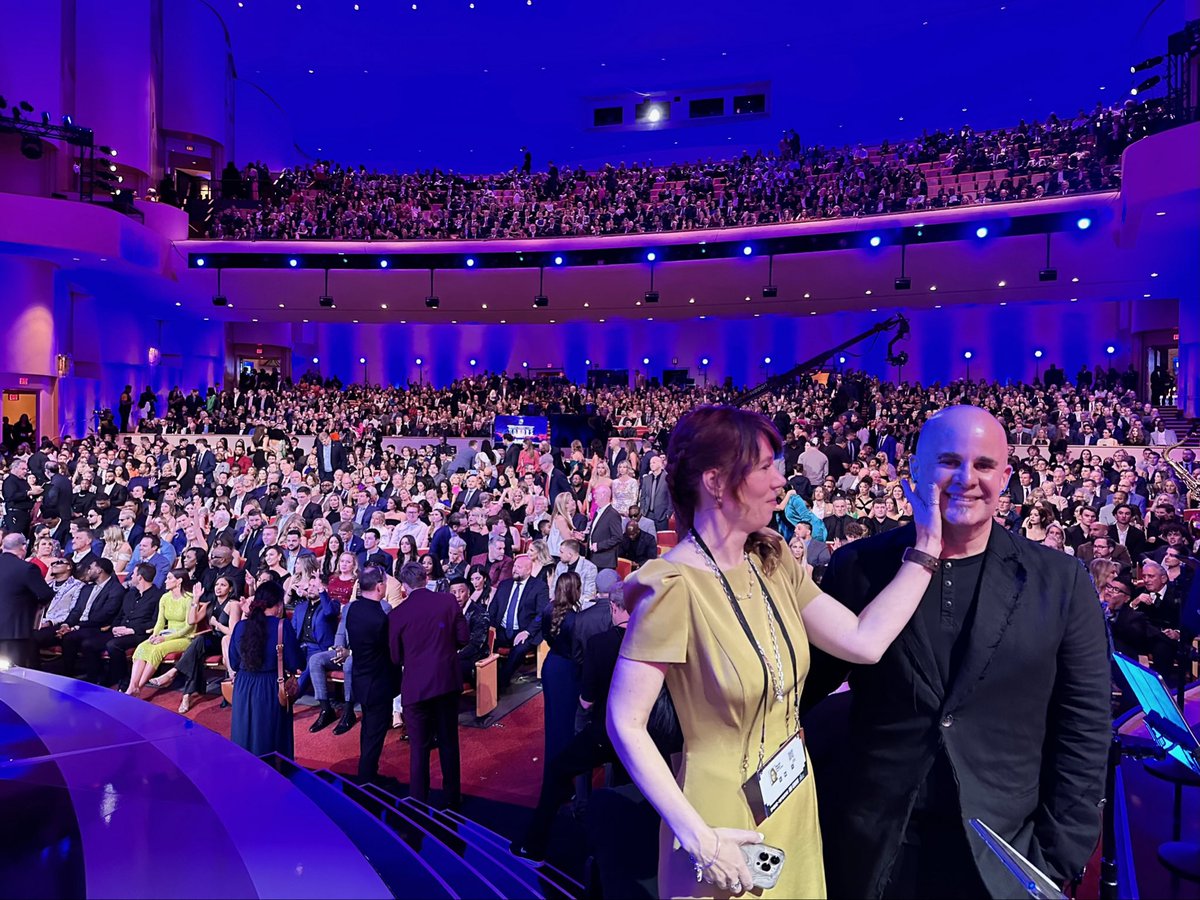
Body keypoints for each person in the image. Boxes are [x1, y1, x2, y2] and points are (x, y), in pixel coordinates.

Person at [608, 404, 942, 899]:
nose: (780, 480)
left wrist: (928, 546)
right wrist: (697, 836)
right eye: (765, 467)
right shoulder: (672, 586)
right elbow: (624, 721)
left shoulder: (772, 557)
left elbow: (862, 641)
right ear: (716, 481)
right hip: (718, 825)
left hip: (792, 799)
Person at [802, 405, 1110, 898]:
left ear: (1006, 477)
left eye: (984, 465)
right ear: (916, 472)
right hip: (874, 845)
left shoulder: (1061, 581)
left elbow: (1085, 726)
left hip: (1005, 850)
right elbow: (799, 689)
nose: (967, 478)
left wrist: (1056, 857)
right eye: (949, 462)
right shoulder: (859, 566)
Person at [516, 580, 630, 861]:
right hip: (642, 733)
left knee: (559, 769)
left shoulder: (600, 643)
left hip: (605, 728)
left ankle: (535, 844)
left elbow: (587, 700)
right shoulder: (652, 639)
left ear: (614, 607)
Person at [388, 562, 469, 808]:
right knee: (448, 742)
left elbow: (394, 656)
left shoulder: (397, 614)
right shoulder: (448, 601)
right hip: (446, 683)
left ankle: (418, 800)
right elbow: (463, 638)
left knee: (419, 748)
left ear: (403, 586)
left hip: (416, 688)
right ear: (426, 579)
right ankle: (452, 800)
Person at [229, 581, 301, 757]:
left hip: (243, 687)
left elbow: (233, 662)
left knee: (243, 734)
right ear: (278, 604)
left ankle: (245, 775)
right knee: (269, 737)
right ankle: (272, 778)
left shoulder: (240, 626)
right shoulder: (282, 626)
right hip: (271, 686)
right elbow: (295, 662)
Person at [344, 565, 401, 782]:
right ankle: (367, 779)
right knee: (374, 734)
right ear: (380, 587)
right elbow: (392, 651)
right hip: (378, 684)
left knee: (368, 729)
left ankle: (366, 773)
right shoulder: (380, 618)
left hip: (361, 679)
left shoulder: (353, 609)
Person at [127, 568, 196, 696]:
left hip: (184, 637)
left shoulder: (189, 598)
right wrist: (154, 635)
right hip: (166, 634)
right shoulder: (165, 597)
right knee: (143, 646)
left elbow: (188, 628)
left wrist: (164, 639)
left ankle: (139, 687)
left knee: (157, 649)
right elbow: (160, 622)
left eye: (169, 578)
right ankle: (132, 686)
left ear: (179, 581)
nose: (165, 581)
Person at [540, 571, 583, 779]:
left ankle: (553, 770)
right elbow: (577, 651)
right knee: (566, 724)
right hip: (567, 671)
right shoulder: (575, 619)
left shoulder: (548, 609)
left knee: (553, 722)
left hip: (551, 666)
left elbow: (546, 636)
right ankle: (563, 775)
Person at [488, 554, 550, 690]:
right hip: (502, 629)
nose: (514, 569)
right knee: (485, 644)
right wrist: (491, 628)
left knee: (519, 650)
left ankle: (500, 684)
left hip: (525, 630)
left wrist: (527, 632)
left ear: (529, 570)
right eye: (514, 566)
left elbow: (542, 614)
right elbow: (493, 608)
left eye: (519, 567)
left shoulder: (539, 587)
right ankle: (483, 680)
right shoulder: (504, 585)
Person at [0, 532, 54, 667]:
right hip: (15, 630)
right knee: (14, 674)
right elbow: (45, 594)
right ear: (23, 547)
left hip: (10, 629)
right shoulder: (26, 568)